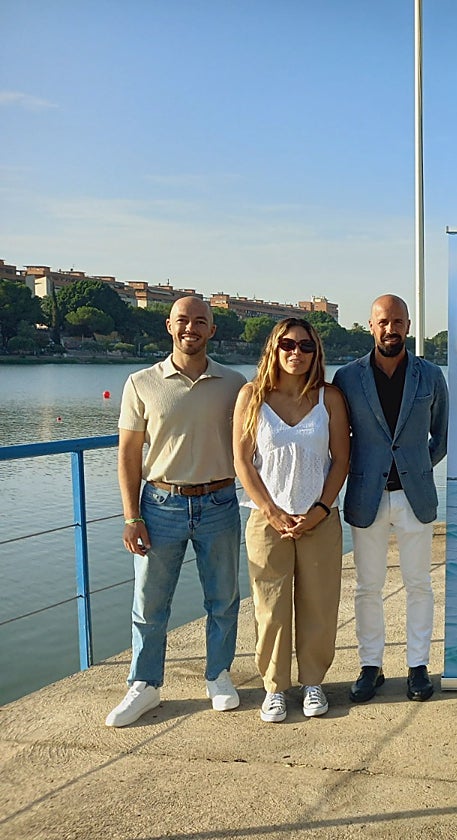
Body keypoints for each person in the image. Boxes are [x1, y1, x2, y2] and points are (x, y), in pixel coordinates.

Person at [106, 296, 247, 727]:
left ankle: (218, 675)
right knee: (149, 603)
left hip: (219, 501)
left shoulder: (234, 383)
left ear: (212, 330)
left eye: (200, 322)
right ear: (169, 325)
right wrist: (131, 516)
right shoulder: (141, 383)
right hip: (160, 504)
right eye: (183, 320)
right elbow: (128, 454)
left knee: (223, 598)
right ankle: (145, 684)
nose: (191, 328)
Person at [332, 294, 448, 703]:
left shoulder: (430, 375)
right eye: (383, 322)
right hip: (367, 495)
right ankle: (371, 666)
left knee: (419, 585)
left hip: (415, 496)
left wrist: (416, 466)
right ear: (371, 325)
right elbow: (338, 437)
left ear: (408, 326)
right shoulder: (347, 378)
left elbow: (442, 436)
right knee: (367, 586)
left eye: (398, 321)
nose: (391, 329)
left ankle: (418, 666)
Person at [233, 318, 350, 723]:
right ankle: (275, 688)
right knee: (270, 607)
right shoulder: (252, 396)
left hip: (319, 519)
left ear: (316, 353)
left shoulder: (329, 398)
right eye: (287, 344)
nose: (296, 352)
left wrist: (320, 510)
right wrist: (271, 510)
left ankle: (313, 683)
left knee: (320, 604)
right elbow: (242, 462)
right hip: (267, 520)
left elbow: (341, 460)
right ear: (274, 348)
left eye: (305, 346)